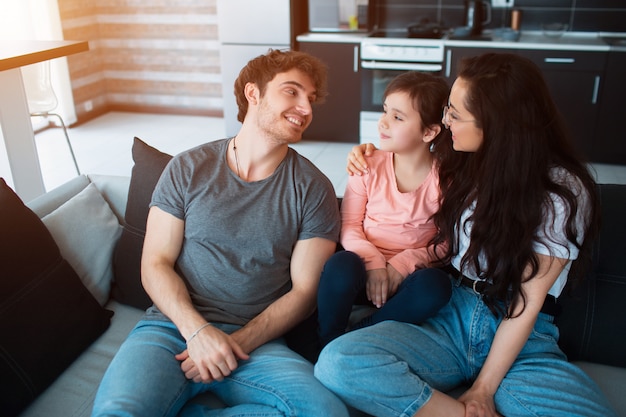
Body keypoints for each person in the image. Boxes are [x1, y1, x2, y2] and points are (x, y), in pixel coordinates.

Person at [314, 52, 618, 417]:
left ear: (497, 123)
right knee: (337, 361)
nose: (444, 121)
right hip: (450, 313)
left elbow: (527, 301)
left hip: (520, 331)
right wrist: (367, 153)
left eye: (454, 114)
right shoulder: (463, 159)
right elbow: (407, 152)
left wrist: (484, 389)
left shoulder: (559, 192)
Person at [92, 49, 349, 417]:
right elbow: (155, 263)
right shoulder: (187, 168)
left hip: (255, 343)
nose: (305, 108)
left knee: (326, 412)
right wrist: (197, 332)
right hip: (171, 329)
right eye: (292, 92)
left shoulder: (312, 188)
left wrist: (229, 345)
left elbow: (305, 293)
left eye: (310, 98)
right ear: (253, 93)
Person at [317, 71, 452, 348]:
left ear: (429, 132)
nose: (383, 122)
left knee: (436, 287)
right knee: (340, 265)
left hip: (406, 279)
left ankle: (362, 333)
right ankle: (326, 339)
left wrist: (400, 266)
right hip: (362, 271)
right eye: (385, 111)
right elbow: (350, 225)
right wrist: (374, 264)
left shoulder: (447, 180)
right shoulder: (367, 164)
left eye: (397, 117)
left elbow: (447, 242)